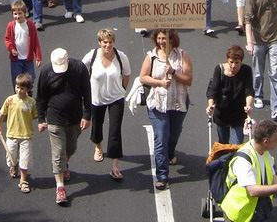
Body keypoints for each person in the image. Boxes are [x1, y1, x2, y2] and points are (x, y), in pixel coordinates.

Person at [36, 48, 92, 206]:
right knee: (58, 152)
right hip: (55, 119)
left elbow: (87, 93)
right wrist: (41, 118)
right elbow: (41, 97)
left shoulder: (79, 68)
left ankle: (65, 163)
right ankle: (60, 187)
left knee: (71, 148)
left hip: (75, 118)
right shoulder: (47, 72)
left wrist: (87, 115)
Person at [139, 29, 193, 191]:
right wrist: (159, 82)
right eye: (160, 38)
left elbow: (189, 80)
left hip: (178, 104)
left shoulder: (182, 55)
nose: (162, 42)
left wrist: (174, 72)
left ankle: (170, 153)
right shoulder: (152, 57)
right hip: (158, 105)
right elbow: (143, 77)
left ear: (172, 39)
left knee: (174, 134)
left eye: (165, 38)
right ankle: (162, 175)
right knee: (161, 137)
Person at [219, 119, 277, 221]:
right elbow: (252, 191)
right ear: (265, 142)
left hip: (255, 212)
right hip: (239, 215)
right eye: (276, 139)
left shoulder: (264, 153)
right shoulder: (243, 160)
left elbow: (273, 177)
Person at [82, 28, 131, 180]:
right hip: (96, 99)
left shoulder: (121, 56)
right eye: (105, 42)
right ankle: (98, 146)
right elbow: (80, 71)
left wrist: (122, 89)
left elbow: (127, 74)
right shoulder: (92, 56)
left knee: (115, 131)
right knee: (97, 126)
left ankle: (115, 165)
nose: (108, 45)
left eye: (110, 42)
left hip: (116, 98)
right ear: (99, 43)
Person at [245, 0, 277, 120]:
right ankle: (258, 94)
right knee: (258, 72)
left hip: (274, 40)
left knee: (275, 73)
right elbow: (248, 19)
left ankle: (276, 107)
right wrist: (249, 42)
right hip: (258, 40)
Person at [0, 72, 37, 194]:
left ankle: (23, 181)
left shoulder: (31, 102)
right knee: (11, 157)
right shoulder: (10, 100)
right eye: (17, 87)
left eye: (22, 88)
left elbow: (36, 115)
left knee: (25, 159)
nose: (19, 90)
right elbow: (2, 113)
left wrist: (42, 122)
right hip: (11, 134)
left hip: (26, 135)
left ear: (28, 89)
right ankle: (13, 166)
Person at [205, 44, 254, 144]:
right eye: (231, 62)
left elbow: (249, 90)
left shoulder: (246, 70)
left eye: (237, 63)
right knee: (223, 144)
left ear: (241, 61)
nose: (234, 66)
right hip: (222, 113)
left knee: (237, 145)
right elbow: (213, 90)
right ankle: (225, 159)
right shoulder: (219, 69)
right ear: (227, 60)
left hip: (238, 114)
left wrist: (248, 105)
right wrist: (210, 105)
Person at [4, 0, 42, 89]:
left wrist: (38, 57)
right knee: (17, 80)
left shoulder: (30, 25)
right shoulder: (11, 26)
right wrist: (11, 49)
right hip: (16, 60)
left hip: (27, 59)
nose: (17, 16)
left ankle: (28, 93)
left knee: (31, 77)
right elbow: (7, 39)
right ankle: (17, 97)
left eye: (20, 13)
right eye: (15, 14)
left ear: (25, 13)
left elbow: (35, 41)